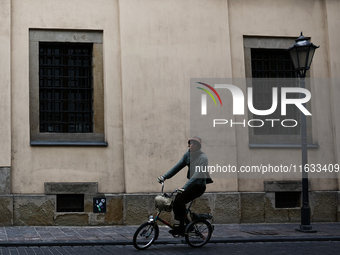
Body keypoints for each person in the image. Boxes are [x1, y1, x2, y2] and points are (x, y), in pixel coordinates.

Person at [157, 136, 210, 235]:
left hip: (199, 186)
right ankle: (187, 225)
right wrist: (164, 177)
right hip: (191, 185)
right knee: (177, 200)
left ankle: (183, 227)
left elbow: (196, 176)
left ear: (198, 146)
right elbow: (177, 166)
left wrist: (184, 188)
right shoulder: (188, 155)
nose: (192, 145)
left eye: (194, 143)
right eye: (190, 143)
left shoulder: (203, 158)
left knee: (179, 201)